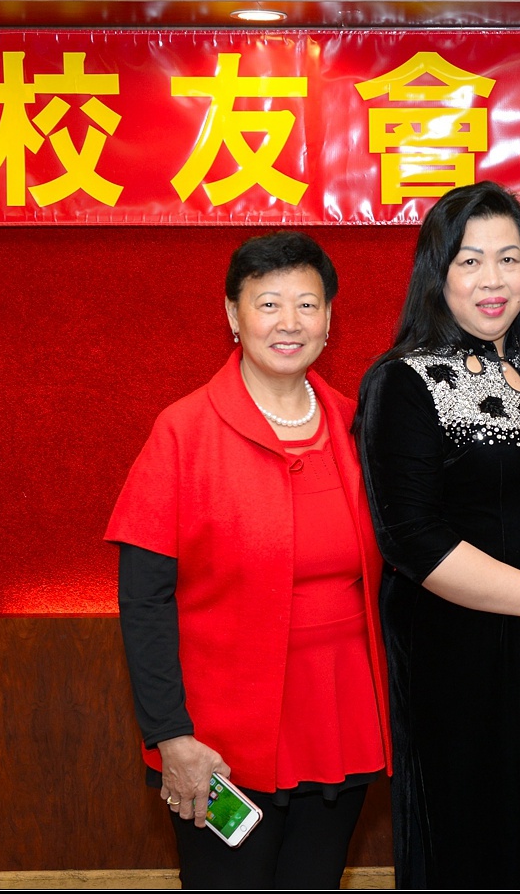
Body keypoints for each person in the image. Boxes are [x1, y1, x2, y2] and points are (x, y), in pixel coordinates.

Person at [105, 232, 390, 889]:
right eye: (268, 303)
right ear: (233, 315)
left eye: (307, 304)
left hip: (341, 716)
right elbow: (143, 598)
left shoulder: (359, 427)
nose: (289, 322)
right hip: (218, 738)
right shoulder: (183, 431)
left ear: (329, 319)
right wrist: (170, 735)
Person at [355, 181, 520, 889]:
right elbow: (410, 537)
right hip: (456, 653)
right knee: (472, 842)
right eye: (470, 260)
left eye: (509, 259)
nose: (493, 280)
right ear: (438, 271)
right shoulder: (403, 380)